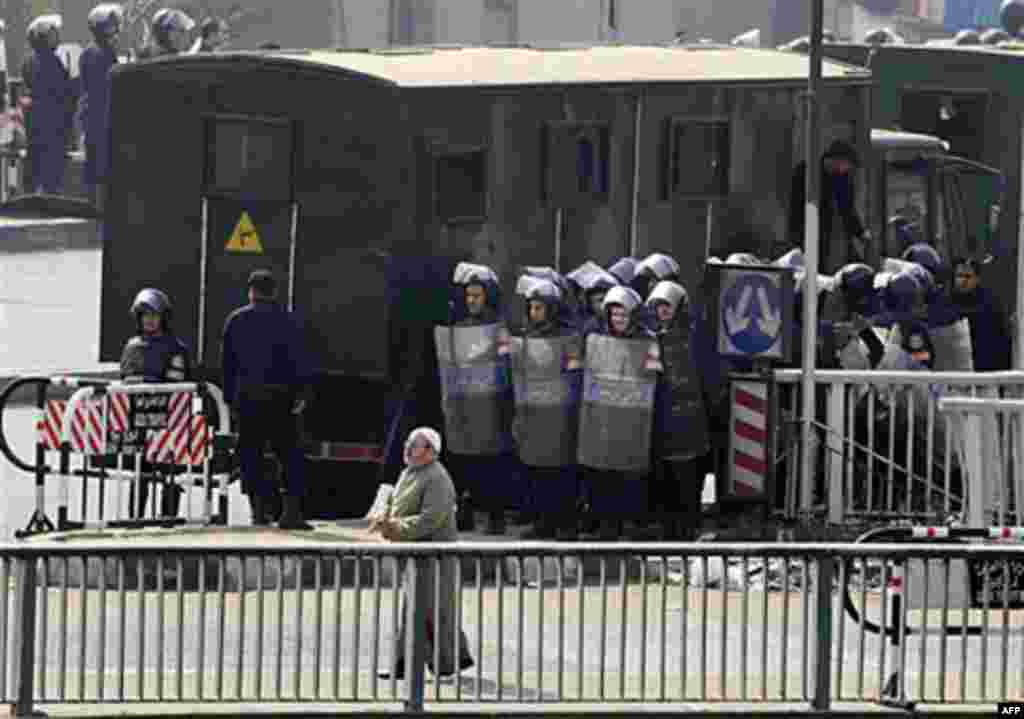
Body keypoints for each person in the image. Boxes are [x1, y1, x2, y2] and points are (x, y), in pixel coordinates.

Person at [370, 427, 474, 681]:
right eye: (407, 443)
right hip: (415, 554)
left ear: (430, 452)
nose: (407, 448)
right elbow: (395, 502)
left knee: (434, 612)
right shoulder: (409, 472)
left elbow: (430, 519)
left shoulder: (437, 477)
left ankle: (446, 663)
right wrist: (384, 516)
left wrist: (395, 528)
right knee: (415, 610)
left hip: (434, 556)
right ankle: (407, 664)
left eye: (414, 445)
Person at [222, 270, 313, 530]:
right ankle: (291, 513)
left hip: (248, 400)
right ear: (274, 292)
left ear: (251, 291)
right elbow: (300, 361)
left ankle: (258, 512)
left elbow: (227, 365)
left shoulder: (235, 320)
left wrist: (229, 399)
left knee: (251, 455)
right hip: (281, 399)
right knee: (289, 455)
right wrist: (302, 394)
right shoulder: (288, 321)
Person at [435, 263, 518, 534]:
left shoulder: (500, 328)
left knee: (492, 463)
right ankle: (465, 512)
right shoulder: (457, 326)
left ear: (488, 296)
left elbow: (509, 365)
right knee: (463, 460)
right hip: (464, 404)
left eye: (477, 296)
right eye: (468, 296)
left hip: (493, 404)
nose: (471, 301)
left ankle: (495, 515)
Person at [577, 286, 662, 540]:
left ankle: (627, 524)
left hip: (634, 421)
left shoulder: (649, 341)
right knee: (602, 476)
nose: (618, 320)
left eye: (623, 316)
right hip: (602, 419)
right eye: (614, 315)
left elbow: (654, 375)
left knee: (629, 477)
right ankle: (604, 524)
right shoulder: (596, 338)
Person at [509, 276, 582, 540]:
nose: (533, 313)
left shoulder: (569, 337)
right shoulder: (525, 338)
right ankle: (543, 522)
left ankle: (565, 523)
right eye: (531, 307)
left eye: (539, 307)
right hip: (533, 412)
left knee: (560, 472)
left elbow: (575, 375)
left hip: (560, 414)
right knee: (536, 470)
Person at [119, 288, 190, 519]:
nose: (149, 320)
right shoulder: (131, 346)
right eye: (144, 315)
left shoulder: (176, 347)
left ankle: (167, 520)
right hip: (138, 418)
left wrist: (146, 382)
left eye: (154, 315)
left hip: (168, 419)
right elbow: (125, 379)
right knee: (140, 474)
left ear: (163, 318)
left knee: (169, 474)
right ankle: (135, 519)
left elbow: (176, 381)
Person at [648, 281, 710, 540]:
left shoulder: (695, 336)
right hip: (663, 417)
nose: (663, 311)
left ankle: (688, 526)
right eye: (659, 306)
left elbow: (707, 375)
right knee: (665, 477)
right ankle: (669, 527)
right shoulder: (652, 338)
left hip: (691, 416)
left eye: (667, 306)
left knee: (688, 475)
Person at [788, 139, 872, 272]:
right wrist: (796, 237)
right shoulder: (805, 171)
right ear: (838, 160)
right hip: (807, 232)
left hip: (832, 235)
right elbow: (795, 208)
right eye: (847, 164)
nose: (848, 169)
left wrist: (860, 232)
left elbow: (847, 209)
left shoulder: (843, 178)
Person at [22, 14, 70, 194]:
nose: (57, 37)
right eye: (53, 34)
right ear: (43, 38)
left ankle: (33, 191)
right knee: (51, 159)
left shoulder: (29, 59)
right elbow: (62, 89)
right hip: (52, 117)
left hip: (35, 117)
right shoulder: (52, 60)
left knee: (35, 156)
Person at [79, 4, 122, 205]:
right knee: (101, 161)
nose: (115, 29)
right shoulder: (101, 53)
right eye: (111, 25)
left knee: (95, 159)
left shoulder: (91, 51)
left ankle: (94, 202)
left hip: (95, 113)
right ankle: (98, 204)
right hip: (101, 113)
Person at [951, 257, 1012, 372]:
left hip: (985, 370)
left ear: (977, 279)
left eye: (968, 276)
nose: (963, 281)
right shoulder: (947, 301)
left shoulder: (989, 303)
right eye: (959, 276)